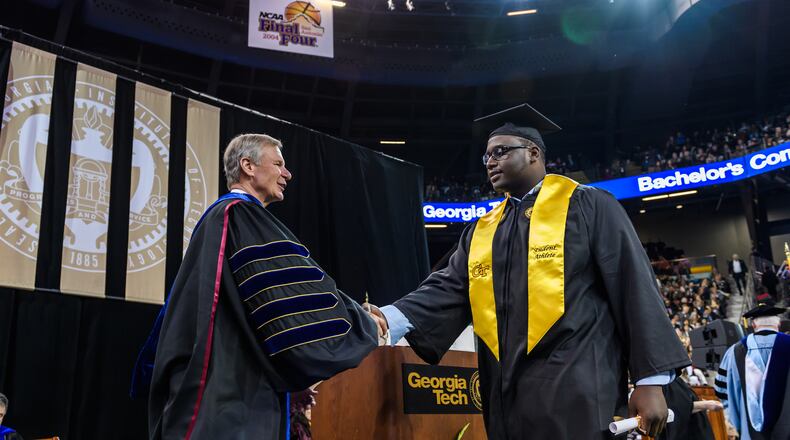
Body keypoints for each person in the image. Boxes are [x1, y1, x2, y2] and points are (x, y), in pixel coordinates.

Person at [369, 104, 691, 439]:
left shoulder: (589, 205)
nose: (491, 161)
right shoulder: (482, 230)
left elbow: (633, 285)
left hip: (576, 388)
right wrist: (387, 318)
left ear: (534, 153)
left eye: (501, 152)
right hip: (505, 393)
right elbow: (447, 289)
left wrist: (650, 381)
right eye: (487, 156)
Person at [136, 134, 383, 439]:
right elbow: (290, 293)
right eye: (278, 163)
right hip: (231, 396)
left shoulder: (224, 218)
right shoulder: (238, 215)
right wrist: (360, 322)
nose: (287, 173)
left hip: (234, 389)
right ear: (248, 166)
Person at [714, 303, 790, 440]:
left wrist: (735, 421)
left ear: (754, 325)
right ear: (778, 325)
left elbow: (721, 391)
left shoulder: (734, 352)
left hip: (749, 432)